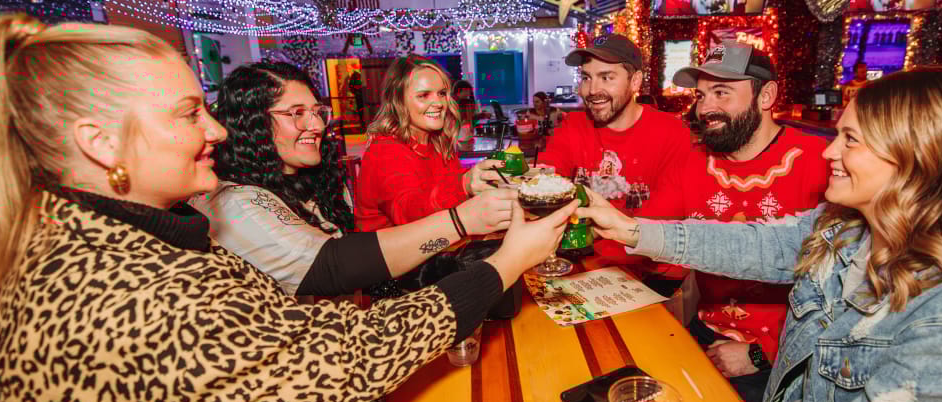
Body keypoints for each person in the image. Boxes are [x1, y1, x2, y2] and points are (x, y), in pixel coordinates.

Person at [0, 14, 576, 402]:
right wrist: (504, 261)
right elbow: (347, 357)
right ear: (100, 142)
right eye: (189, 113)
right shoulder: (125, 293)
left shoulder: (111, 242)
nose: (215, 130)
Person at [577, 66, 942, 402]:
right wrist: (630, 229)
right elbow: (757, 244)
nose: (829, 153)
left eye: (851, 140)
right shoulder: (847, 226)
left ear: (918, 156)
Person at [192, 61, 517, 297]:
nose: (317, 125)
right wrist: (463, 209)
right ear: (251, 124)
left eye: (316, 111)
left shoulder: (315, 181)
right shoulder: (235, 202)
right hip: (372, 308)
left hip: (359, 314)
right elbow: (335, 265)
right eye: (296, 113)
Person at [643, 41, 829, 402]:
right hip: (707, 335)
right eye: (701, 95)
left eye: (722, 93)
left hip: (794, 358)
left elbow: (850, 296)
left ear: (767, 96)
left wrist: (763, 353)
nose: (705, 108)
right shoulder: (691, 163)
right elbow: (651, 247)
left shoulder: (821, 164)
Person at [538, 33, 696, 280]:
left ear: (635, 82)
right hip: (581, 266)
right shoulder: (573, 125)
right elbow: (546, 182)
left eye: (606, 77)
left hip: (649, 275)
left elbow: (661, 224)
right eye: (586, 78)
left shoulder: (672, 133)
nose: (592, 90)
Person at [355, 56, 504, 232]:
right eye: (423, 95)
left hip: (441, 242)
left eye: (442, 93)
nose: (439, 103)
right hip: (396, 249)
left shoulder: (438, 142)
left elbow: (447, 191)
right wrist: (464, 184)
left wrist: (482, 179)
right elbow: (408, 213)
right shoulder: (385, 150)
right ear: (398, 101)